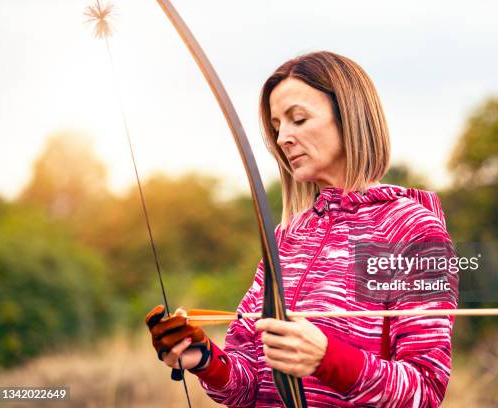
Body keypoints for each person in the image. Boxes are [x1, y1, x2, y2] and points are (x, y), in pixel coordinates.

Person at [146, 51, 458, 407]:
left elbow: (424, 391)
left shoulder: (409, 229)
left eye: (298, 119)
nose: (283, 139)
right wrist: (204, 359)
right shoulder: (288, 235)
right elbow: (248, 384)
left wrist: (327, 359)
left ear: (349, 116)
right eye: (278, 127)